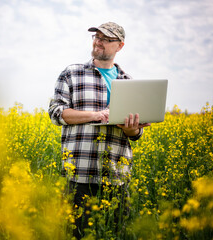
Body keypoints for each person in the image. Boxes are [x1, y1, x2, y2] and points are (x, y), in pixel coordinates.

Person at [48, 22, 151, 238]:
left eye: (106, 38)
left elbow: (136, 135)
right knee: (76, 234)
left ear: (119, 46)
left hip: (116, 176)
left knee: (114, 234)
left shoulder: (128, 82)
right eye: (97, 36)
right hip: (79, 173)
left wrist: (132, 129)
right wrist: (97, 115)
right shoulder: (72, 74)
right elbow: (56, 113)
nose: (98, 41)